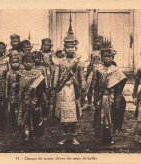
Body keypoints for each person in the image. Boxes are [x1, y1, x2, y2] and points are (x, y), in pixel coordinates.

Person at [52, 16, 86, 145]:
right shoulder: (60, 62)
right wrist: (55, 87)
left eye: (72, 47)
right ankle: (66, 135)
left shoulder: (79, 62)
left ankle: (73, 136)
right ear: (64, 49)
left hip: (74, 90)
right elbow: (56, 76)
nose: (70, 49)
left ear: (75, 49)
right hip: (62, 90)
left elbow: (82, 77)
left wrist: (83, 89)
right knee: (63, 114)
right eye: (68, 47)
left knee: (74, 114)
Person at [92, 38, 127, 145]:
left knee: (111, 116)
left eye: (109, 57)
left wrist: (117, 98)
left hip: (112, 97)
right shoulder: (98, 69)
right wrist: (95, 96)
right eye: (105, 57)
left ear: (112, 57)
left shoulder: (116, 70)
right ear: (101, 57)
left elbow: (120, 85)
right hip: (102, 97)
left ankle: (111, 136)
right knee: (101, 116)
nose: (107, 59)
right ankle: (102, 136)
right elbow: (96, 84)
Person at [18, 54, 47, 144]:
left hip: (35, 99)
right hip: (24, 99)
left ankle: (36, 135)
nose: (28, 64)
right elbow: (18, 88)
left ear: (33, 63)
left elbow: (42, 88)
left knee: (35, 116)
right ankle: (26, 136)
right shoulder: (20, 74)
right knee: (24, 117)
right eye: (26, 62)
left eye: (30, 62)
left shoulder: (38, 74)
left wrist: (38, 99)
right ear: (22, 63)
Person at [86, 35, 103, 109]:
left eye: (99, 42)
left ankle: (98, 102)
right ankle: (89, 103)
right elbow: (91, 62)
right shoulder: (92, 52)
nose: (97, 43)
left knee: (99, 86)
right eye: (96, 42)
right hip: (93, 70)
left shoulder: (102, 52)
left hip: (101, 70)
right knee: (89, 86)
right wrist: (89, 70)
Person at [5, 55, 21, 131]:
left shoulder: (21, 72)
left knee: (19, 106)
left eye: (17, 62)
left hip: (20, 92)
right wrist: (6, 93)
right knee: (12, 106)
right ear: (10, 63)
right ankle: (13, 121)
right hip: (12, 92)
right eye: (13, 62)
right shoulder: (9, 73)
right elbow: (7, 83)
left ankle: (19, 121)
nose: (15, 64)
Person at [40, 38, 54, 112]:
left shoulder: (52, 54)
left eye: (47, 45)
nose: (46, 47)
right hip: (42, 71)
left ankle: (47, 106)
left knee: (48, 88)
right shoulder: (40, 53)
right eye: (44, 45)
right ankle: (43, 105)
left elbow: (53, 62)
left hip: (49, 71)